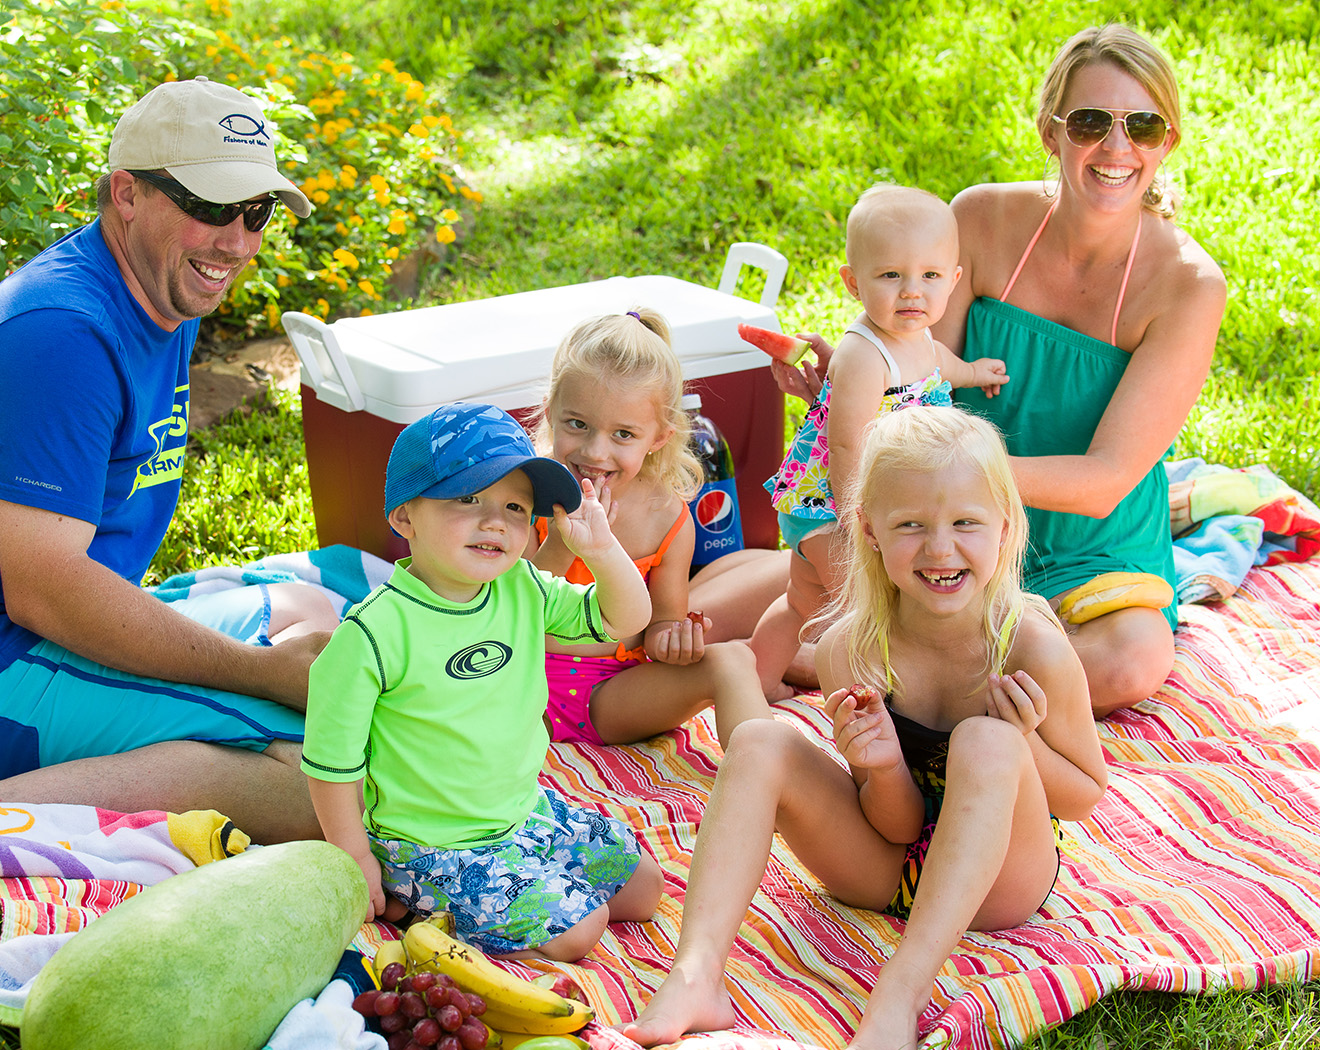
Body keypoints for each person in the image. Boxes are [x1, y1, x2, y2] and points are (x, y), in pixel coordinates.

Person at [0, 77, 340, 866]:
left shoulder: (162, 290)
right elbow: (44, 590)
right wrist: (261, 676)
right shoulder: (61, 336)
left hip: (37, 637)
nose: (237, 242)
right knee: (342, 782)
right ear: (126, 194)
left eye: (257, 212)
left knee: (311, 609)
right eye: (212, 208)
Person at [694, 23, 1227, 717]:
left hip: (1086, 550)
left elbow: (1103, 483)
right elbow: (916, 376)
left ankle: (900, 672)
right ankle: (902, 658)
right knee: (697, 617)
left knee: (1134, 659)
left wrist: (954, 480)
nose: (1117, 147)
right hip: (935, 525)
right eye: (1091, 122)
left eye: (1144, 126)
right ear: (1050, 131)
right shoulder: (979, 218)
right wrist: (851, 383)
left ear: (1168, 141)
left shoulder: (1188, 284)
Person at [623, 406, 1108, 1049]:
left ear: (1005, 527)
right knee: (759, 739)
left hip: (998, 887)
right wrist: (879, 767)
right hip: (886, 868)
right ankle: (696, 974)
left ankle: (900, 996)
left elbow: (1084, 794)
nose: (940, 548)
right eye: (911, 525)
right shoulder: (850, 648)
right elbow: (898, 826)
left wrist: (1025, 741)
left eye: (966, 522)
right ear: (868, 531)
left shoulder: (1031, 647)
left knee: (986, 740)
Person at [301, 402, 666, 960]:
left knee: (644, 888)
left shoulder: (521, 587)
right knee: (583, 927)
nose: (496, 521)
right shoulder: (375, 631)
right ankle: (415, 899)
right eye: (467, 498)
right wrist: (355, 856)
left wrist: (602, 551)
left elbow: (626, 619)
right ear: (404, 517)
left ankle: (483, 896)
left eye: (516, 507)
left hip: (522, 811)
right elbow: (331, 760)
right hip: (428, 842)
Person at [745, 186, 1006, 698]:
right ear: (853, 283)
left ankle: (753, 678)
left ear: (953, 280)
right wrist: (856, 520)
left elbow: (941, 368)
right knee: (867, 607)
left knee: (802, 601)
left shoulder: (919, 337)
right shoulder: (865, 355)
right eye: (891, 275)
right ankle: (883, 701)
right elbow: (845, 445)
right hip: (832, 505)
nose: (912, 291)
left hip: (850, 505)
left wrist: (975, 372)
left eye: (930, 276)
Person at [527, 310, 771, 748]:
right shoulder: (526, 495)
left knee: (733, 659)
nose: (595, 451)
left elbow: (661, 624)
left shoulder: (667, 517)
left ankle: (766, 779)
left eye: (623, 434)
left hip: (613, 696)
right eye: (577, 424)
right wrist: (564, 546)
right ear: (551, 413)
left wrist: (674, 641)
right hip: (517, 686)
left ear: (658, 437)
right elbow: (504, 608)